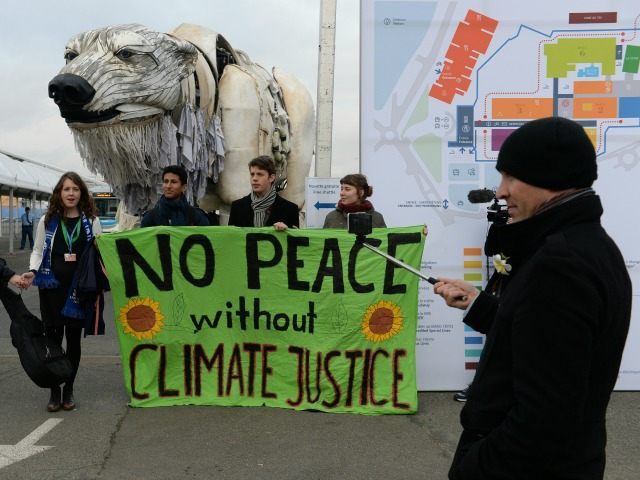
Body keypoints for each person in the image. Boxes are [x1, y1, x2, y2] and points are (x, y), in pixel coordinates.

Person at [433, 116, 631, 480]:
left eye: (511, 177)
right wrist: (479, 305)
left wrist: (473, 467)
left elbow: (544, 419)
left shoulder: (560, 265)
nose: (501, 191)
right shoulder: (586, 246)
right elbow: (539, 343)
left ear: (550, 178)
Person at [25, 172, 103, 413]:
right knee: (53, 340)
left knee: (73, 341)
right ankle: (54, 389)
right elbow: (38, 250)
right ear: (59, 193)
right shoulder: (47, 221)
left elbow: (100, 252)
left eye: (75, 189)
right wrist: (31, 270)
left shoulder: (91, 220)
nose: (71, 193)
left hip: (79, 290)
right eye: (66, 189)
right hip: (52, 289)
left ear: (82, 194)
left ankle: (68, 388)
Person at [228, 155, 299, 230]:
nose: (254, 178)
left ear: (271, 178)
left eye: (260, 174)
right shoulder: (237, 207)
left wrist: (287, 231)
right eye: (252, 174)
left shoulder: (290, 209)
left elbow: (296, 240)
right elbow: (231, 239)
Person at [141, 165, 210, 227]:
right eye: (166, 181)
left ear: (184, 187)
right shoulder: (150, 218)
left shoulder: (197, 217)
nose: (168, 186)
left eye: (173, 182)